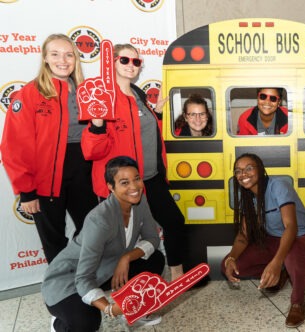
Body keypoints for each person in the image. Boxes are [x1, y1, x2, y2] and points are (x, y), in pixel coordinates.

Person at [81, 43, 188, 281]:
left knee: (174, 221)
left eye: (136, 61)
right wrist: (97, 125)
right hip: (122, 185)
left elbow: (146, 136)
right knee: (122, 241)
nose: (132, 65)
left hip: (150, 178)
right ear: (112, 62)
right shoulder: (104, 96)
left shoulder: (138, 95)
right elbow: (91, 151)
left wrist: (158, 114)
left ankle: (177, 276)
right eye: (125, 60)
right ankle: (121, 290)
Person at [0, 34, 98, 263]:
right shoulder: (30, 93)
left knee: (91, 231)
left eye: (68, 54)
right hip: (46, 179)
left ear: (76, 58)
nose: (62, 60)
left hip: (83, 173)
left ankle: (84, 278)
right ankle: (60, 289)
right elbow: (15, 146)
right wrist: (27, 191)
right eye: (55, 54)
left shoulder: (87, 92)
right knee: (53, 240)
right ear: (45, 58)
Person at [42, 156, 165, 331]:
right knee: (87, 322)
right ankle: (59, 322)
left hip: (105, 270)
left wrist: (126, 258)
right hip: (68, 280)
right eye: (124, 182)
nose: (134, 187)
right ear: (110, 187)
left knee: (155, 260)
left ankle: (134, 314)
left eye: (136, 179)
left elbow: (152, 239)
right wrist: (109, 308)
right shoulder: (99, 220)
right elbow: (83, 278)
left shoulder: (140, 200)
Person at [221, 153, 305, 328]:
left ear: (260, 169)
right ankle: (283, 273)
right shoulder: (246, 196)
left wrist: (276, 262)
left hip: (304, 239)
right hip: (275, 240)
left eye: (249, 168)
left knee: (291, 253)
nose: (243, 174)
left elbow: (291, 228)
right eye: (238, 171)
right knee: (232, 265)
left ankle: (298, 302)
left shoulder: (278, 186)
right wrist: (231, 257)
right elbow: (243, 236)